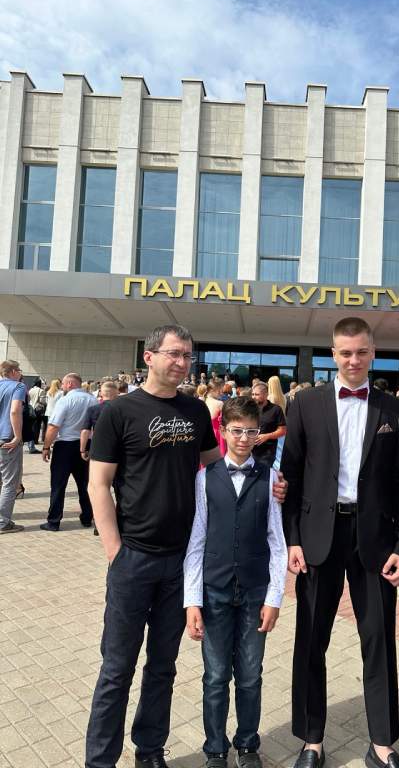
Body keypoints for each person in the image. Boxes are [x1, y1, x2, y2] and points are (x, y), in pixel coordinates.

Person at [85, 325, 221, 768]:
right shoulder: (118, 411)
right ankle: (100, 760)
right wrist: (115, 551)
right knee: (116, 669)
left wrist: (264, 481)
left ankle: (149, 751)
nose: (182, 363)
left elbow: (215, 469)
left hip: (181, 561)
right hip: (134, 559)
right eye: (174, 354)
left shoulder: (195, 410)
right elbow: (98, 484)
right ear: (149, 357)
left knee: (163, 666)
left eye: (188, 356)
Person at [281, 317, 399, 768]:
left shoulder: (395, 409)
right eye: (346, 352)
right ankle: (311, 740)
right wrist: (292, 539)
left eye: (362, 352)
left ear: (373, 353)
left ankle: (382, 743)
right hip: (318, 536)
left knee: (379, 640)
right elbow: (291, 475)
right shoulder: (305, 403)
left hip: (375, 539)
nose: (354, 360)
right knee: (311, 639)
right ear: (333, 354)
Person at [184, 397, 288, 768]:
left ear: (259, 434)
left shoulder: (271, 478)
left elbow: (277, 542)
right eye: (237, 431)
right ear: (224, 432)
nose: (244, 438)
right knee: (215, 676)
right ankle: (215, 748)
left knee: (250, 675)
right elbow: (196, 541)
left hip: (255, 591)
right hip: (214, 590)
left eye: (251, 431)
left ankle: (247, 744)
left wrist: (275, 597)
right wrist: (192, 600)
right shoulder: (205, 477)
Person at [40, 373, 99, 531]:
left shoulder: (65, 400)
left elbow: (54, 426)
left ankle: (53, 521)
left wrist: (46, 447)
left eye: (64, 384)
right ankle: (87, 517)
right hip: (86, 445)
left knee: (58, 485)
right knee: (85, 484)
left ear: (70, 384)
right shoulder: (92, 400)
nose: (62, 386)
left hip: (65, 446)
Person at [0, 360, 26, 534]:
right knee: (9, 483)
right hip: (7, 439)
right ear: (13, 371)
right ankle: (3, 522)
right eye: (19, 370)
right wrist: (17, 436)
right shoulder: (18, 386)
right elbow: (15, 410)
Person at [251, 382, 286, 468]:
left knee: (263, 474)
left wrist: (267, 436)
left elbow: (283, 430)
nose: (253, 397)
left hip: (266, 453)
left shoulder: (276, 409)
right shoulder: (249, 408)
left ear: (266, 394)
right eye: (253, 394)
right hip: (249, 450)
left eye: (257, 394)